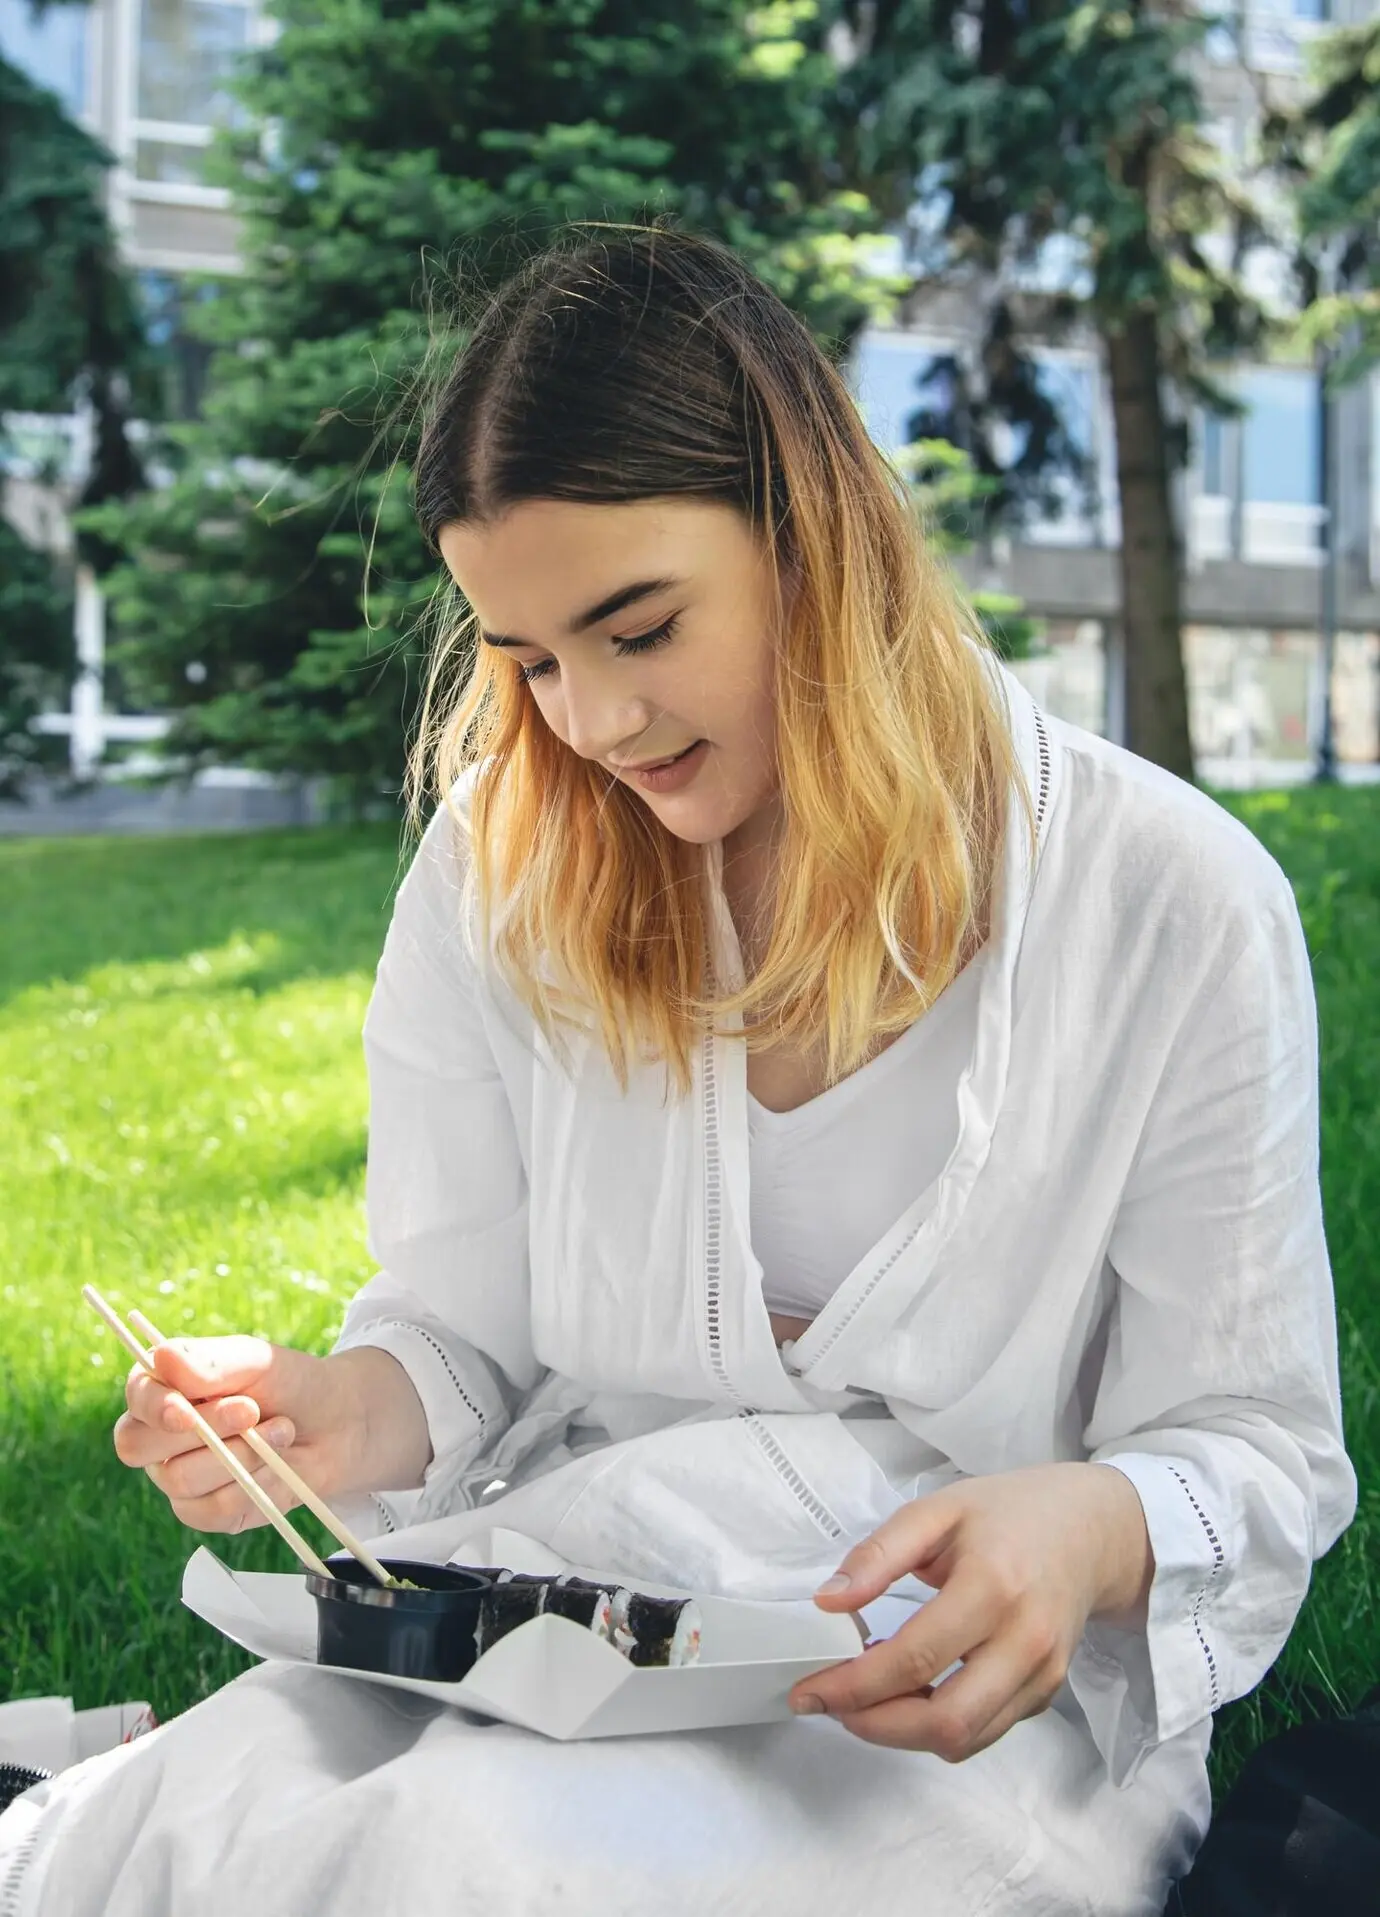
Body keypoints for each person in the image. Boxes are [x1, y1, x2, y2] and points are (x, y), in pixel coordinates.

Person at [0, 222, 1355, 1917]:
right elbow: (465, 1331)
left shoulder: (1171, 903)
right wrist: (335, 1411)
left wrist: (1088, 1525)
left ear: (819, 536)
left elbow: (1252, 1446)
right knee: (216, 1829)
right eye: (531, 660)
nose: (591, 723)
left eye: (638, 630)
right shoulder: (508, 871)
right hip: (558, 1611)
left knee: (471, 1874)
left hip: (931, 1699)